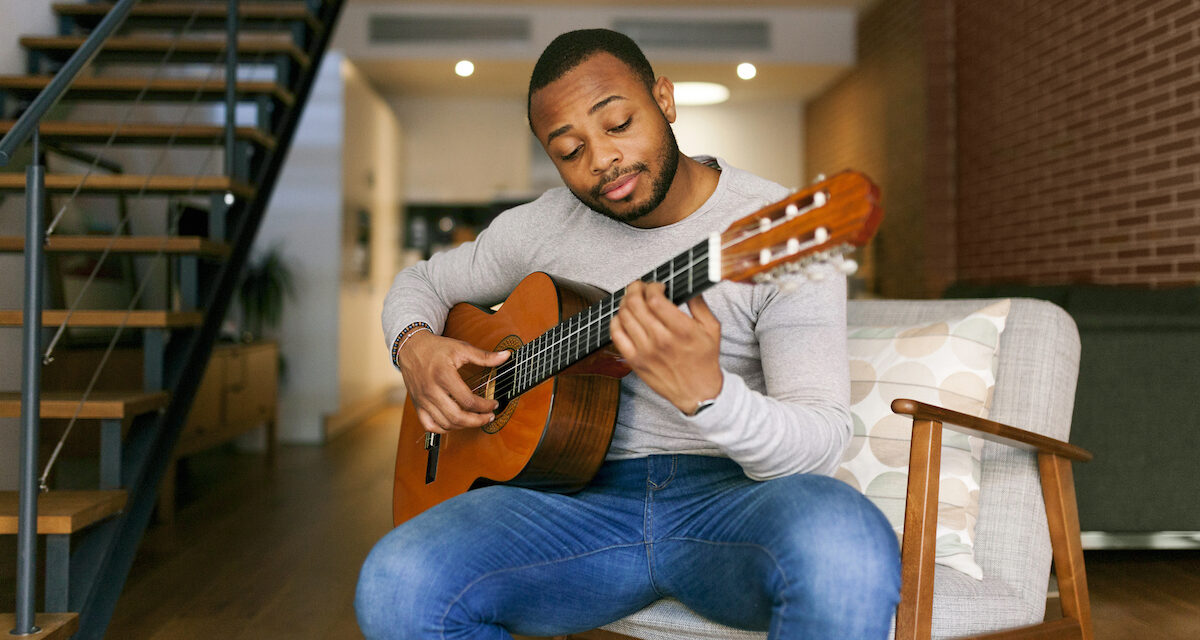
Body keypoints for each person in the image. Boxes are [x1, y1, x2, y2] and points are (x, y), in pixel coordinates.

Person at [356, 28, 900, 640]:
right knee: (397, 580)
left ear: (664, 100)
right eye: (569, 150)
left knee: (848, 542)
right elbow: (419, 283)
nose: (602, 160)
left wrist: (713, 396)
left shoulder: (779, 232)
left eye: (617, 124)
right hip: (567, 504)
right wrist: (413, 345)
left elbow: (821, 441)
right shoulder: (540, 227)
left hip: (730, 503)